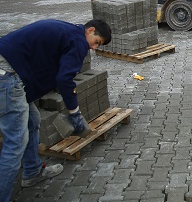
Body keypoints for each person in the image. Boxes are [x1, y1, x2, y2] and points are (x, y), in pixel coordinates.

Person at [0, 19, 112, 200]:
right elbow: (64, 79)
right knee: (15, 143)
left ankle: (32, 172)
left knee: (32, 120)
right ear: (90, 30)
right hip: (6, 76)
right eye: (97, 42)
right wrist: (74, 113)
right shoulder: (78, 41)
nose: (94, 48)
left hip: (9, 70)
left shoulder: (69, 31)